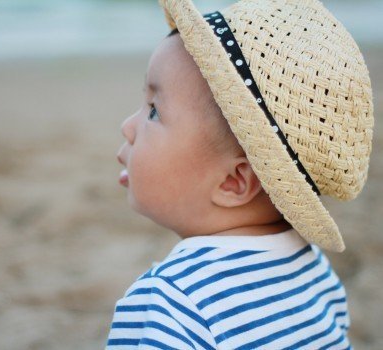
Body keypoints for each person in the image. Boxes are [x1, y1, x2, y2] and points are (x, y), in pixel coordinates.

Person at [106, 0, 374, 349]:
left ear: (234, 182)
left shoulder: (176, 301)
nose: (127, 126)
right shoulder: (315, 273)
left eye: (154, 112)